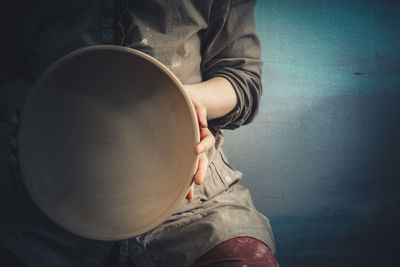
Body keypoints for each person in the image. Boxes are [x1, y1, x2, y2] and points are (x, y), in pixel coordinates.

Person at [1, 0, 279, 266]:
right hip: (46, 192)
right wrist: (22, 107)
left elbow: (243, 80)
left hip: (192, 197)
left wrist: (179, 107)